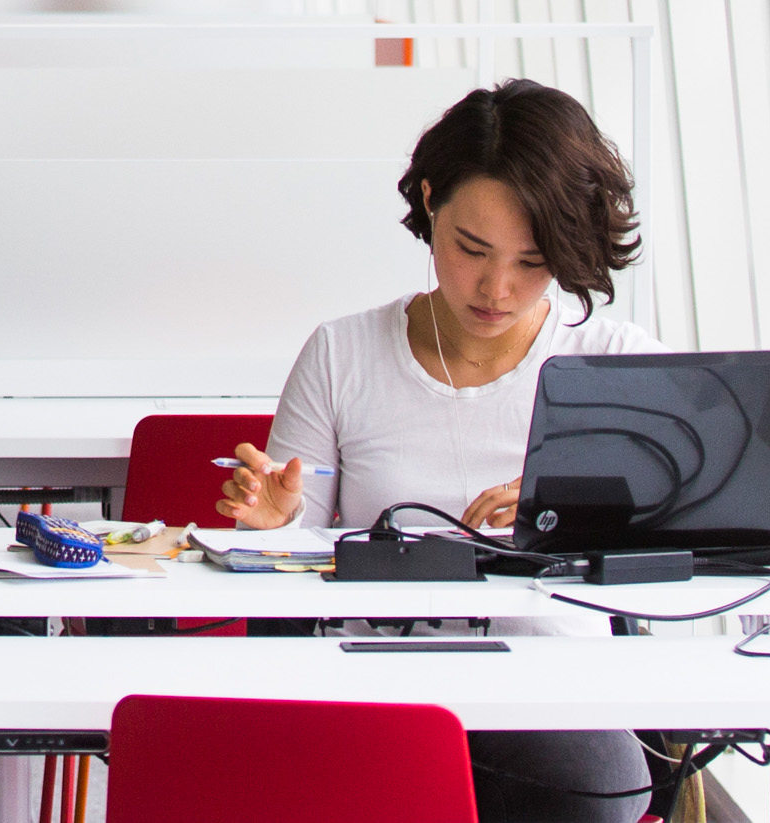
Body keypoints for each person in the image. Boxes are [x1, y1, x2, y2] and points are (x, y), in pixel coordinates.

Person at [215, 79, 666, 823]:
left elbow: (675, 564)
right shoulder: (342, 354)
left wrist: (579, 512)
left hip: (552, 690)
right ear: (430, 203)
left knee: (593, 777)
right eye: (472, 248)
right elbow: (281, 585)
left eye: (533, 260)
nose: (497, 288)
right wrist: (275, 530)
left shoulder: (617, 366)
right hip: (371, 680)